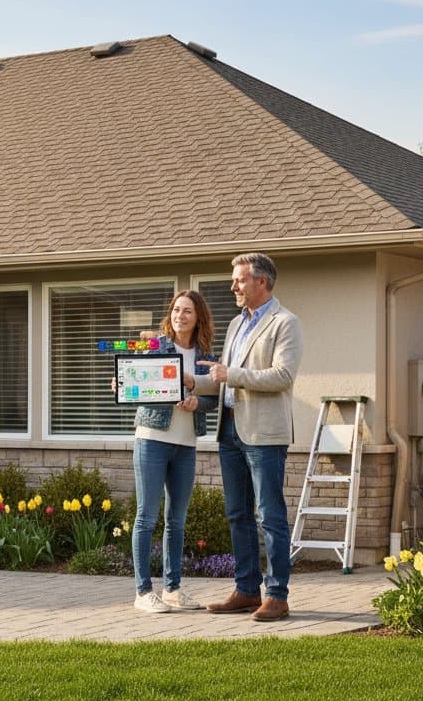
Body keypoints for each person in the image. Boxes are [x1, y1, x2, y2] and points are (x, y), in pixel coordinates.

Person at [190, 252, 302, 621]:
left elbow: (282, 377)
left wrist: (230, 375)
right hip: (230, 431)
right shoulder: (238, 323)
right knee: (238, 514)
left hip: (264, 434)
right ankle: (246, 589)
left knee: (270, 515)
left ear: (261, 282)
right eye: (234, 280)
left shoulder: (285, 323)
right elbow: (222, 379)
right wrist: (192, 381)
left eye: (239, 280)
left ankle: (278, 595)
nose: (233, 286)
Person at [127, 290, 219, 613]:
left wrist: (198, 402)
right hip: (151, 438)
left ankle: (172, 589)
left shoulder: (205, 354)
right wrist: (120, 382)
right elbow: (132, 377)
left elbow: (214, 397)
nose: (180, 316)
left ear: (198, 318)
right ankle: (142, 592)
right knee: (146, 517)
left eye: (188, 311)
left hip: (186, 444)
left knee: (176, 521)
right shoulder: (157, 345)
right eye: (176, 310)